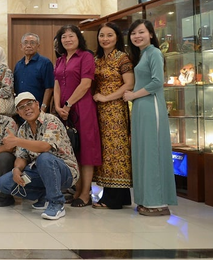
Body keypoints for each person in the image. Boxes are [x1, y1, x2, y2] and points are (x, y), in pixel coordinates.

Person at [0, 92, 79, 221]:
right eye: (22, 107)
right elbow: (22, 156)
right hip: (38, 171)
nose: (27, 108)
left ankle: (56, 203)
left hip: (64, 172)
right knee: (4, 183)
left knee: (44, 158)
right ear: (18, 112)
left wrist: (17, 141)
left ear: (37, 104)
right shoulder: (23, 129)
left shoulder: (51, 120)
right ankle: (44, 196)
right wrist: (17, 169)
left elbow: (45, 147)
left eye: (29, 104)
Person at [124, 19, 177, 216]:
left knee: (152, 152)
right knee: (143, 152)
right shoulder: (142, 54)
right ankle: (146, 199)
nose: (137, 36)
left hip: (151, 105)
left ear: (151, 34)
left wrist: (133, 95)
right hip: (140, 107)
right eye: (133, 33)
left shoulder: (154, 52)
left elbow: (157, 82)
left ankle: (157, 203)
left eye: (141, 32)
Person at [53, 24, 102, 207]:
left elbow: (85, 84)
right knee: (72, 150)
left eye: (71, 36)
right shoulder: (60, 59)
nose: (67, 40)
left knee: (86, 151)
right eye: (63, 37)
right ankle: (77, 190)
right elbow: (57, 84)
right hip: (64, 111)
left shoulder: (86, 56)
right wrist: (57, 106)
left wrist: (68, 104)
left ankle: (85, 194)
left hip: (83, 108)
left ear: (78, 38)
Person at [93, 22, 135, 209]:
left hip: (116, 108)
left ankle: (114, 198)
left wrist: (106, 97)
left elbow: (129, 84)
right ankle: (119, 195)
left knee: (117, 150)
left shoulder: (122, 58)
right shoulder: (97, 59)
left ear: (117, 37)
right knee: (105, 151)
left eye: (109, 35)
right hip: (100, 110)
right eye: (102, 35)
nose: (105, 39)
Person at [13, 33, 54, 115]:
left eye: (32, 43)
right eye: (25, 43)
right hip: (22, 111)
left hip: (38, 110)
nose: (28, 45)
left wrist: (43, 109)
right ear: (21, 46)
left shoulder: (45, 63)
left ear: (38, 46)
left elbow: (49, 88)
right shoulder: (18, 65)